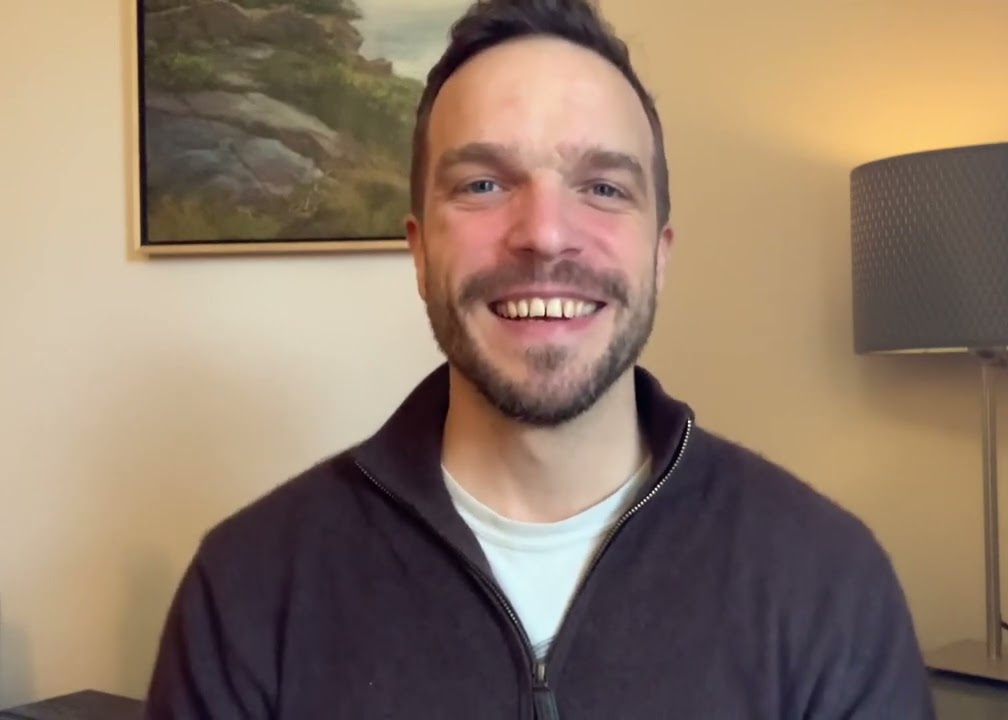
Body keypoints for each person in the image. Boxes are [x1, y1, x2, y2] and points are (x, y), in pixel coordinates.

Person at [144, 0, 936, 717]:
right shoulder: (246, 590)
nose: (545, 233)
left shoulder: (829, 580)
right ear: (419, 251)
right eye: (485, 183)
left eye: (603, 187)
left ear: (660, 256)